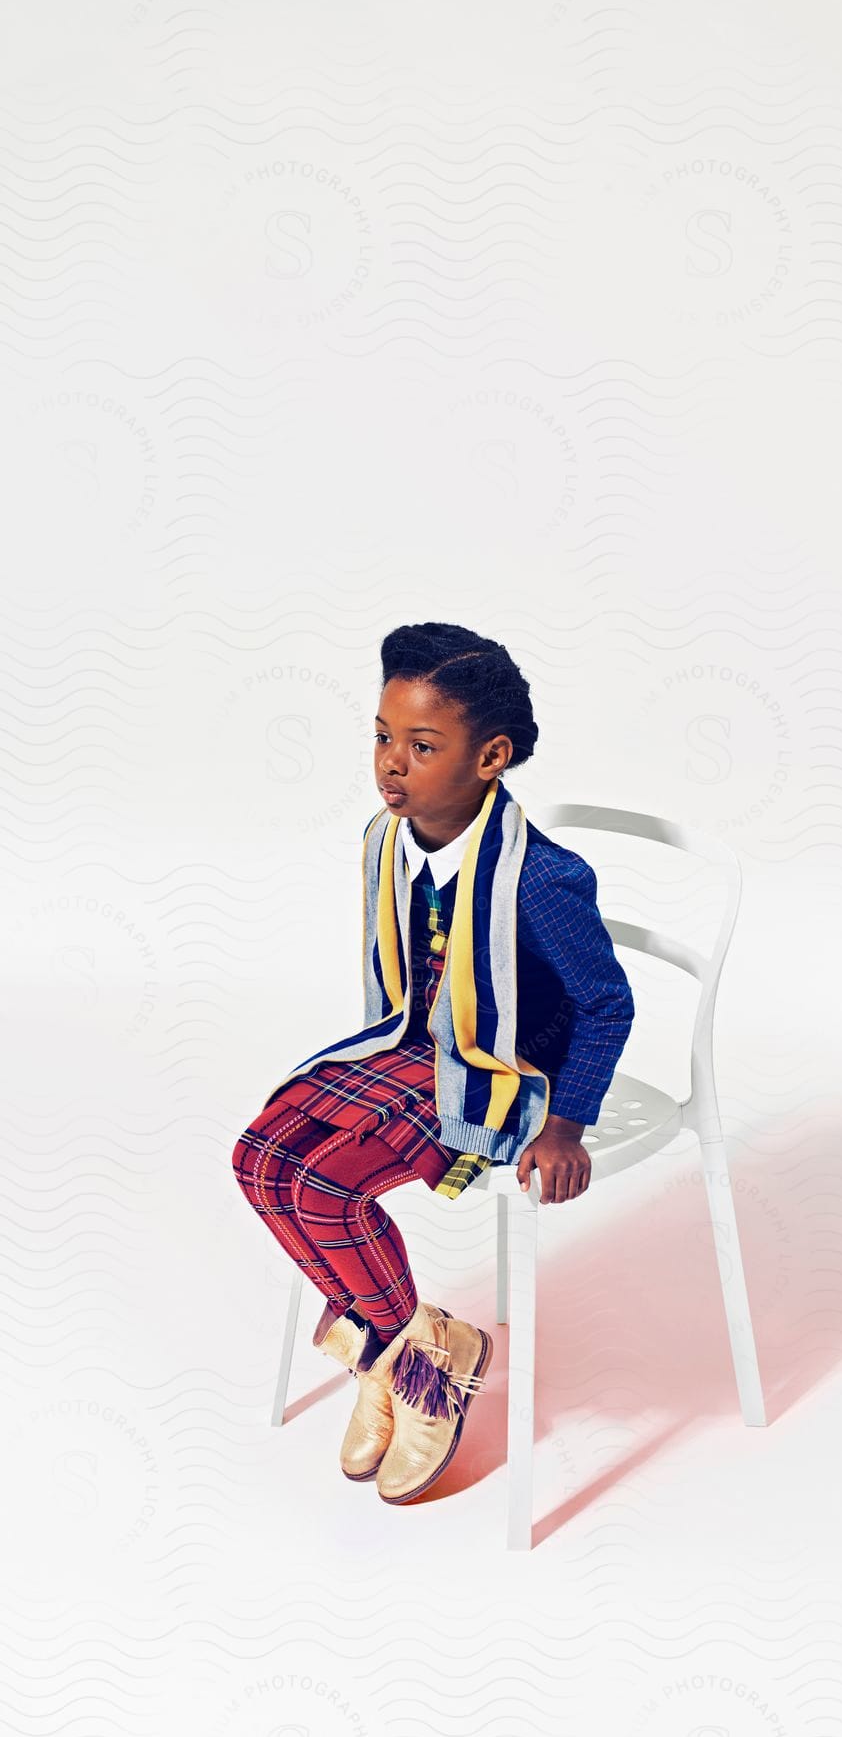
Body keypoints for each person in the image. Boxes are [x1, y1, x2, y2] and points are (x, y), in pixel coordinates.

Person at [231, 622, 636, 1506]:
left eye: (422, 745)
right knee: (258, 1161)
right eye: (382, 736)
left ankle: (398, 1365)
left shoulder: (539, 878)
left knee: (326, 1186)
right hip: (411, 1039)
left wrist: (566, 1126)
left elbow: (608, 1005)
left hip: (500, 1067)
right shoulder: (390, 839)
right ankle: (414, 1348)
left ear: (490, 756)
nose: (391, 764)